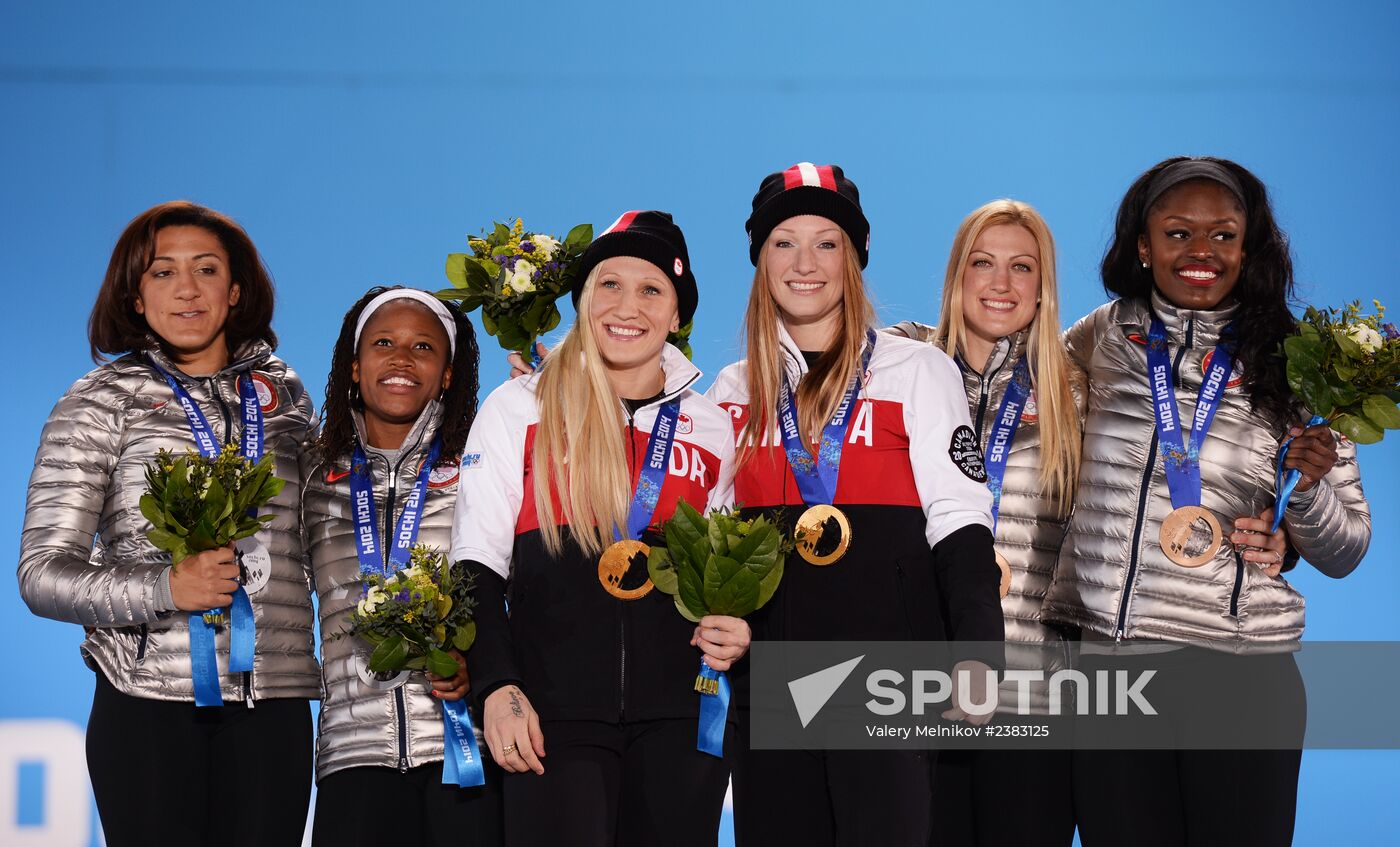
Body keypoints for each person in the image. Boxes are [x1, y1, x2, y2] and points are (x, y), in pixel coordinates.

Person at [1041, 156, 1372, 847]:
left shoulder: (1301, 360)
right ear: (1143, 244)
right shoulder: (1100, 336)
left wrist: (1305, 498)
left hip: (1239, 671)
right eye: (1177, 233)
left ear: (1249, 247)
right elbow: (1013, 388)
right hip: (1113, 669)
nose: (1201, 253)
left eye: (1222, 235)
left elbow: (1345, 552)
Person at [705, 163, 1005, 846]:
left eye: (827, 242)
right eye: (783, 242)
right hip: (772, 686)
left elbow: (961, 522)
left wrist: (979, 648)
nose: (804, 263)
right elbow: (713, 540)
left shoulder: (918, 370)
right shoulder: (732, 389)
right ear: (760, 259)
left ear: (855, 258)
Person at [18, 201, 319, 846]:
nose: (187, 288)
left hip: (275, 701)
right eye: (163, 272)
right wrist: (163, 590)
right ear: (135, 294)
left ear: (235, 291)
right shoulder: (98, 401)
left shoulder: (284, 393)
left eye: (206, 269)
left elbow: (328, 533)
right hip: (147, 704)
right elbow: (41, 574)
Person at [450, 211, 747, 846]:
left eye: (651, 290)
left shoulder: (713, 425)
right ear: (583, 299)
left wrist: (737, 627)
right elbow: (475, 562)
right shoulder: (519, 406)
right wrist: (497, 686)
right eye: (609, 284)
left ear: (676, 316)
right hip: (548, 716)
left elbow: (726, 574)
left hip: (682, 721)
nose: (627, 306)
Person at [302, 286, 501, 844]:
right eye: (383, 342)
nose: (400, 359)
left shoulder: (482, 468)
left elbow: (524, 599)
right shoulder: (312, 478)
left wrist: (480, 669)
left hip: (466, 751)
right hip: (351, 753)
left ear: (446, 376)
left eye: (423, 348)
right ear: (353, 366)